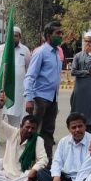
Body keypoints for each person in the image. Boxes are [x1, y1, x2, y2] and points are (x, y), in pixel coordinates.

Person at [0, 95, 48, 181]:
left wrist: (34, 170)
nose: (29, 130)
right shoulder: (12, 132)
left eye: (33, 128)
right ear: (21, 126)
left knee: (33, 175)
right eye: (27, 127)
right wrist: (0, 107)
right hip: (7, 173)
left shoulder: (38, 139)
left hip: (23, 176)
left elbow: (43, 159)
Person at [24, 21, 63, 159]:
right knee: (33, 132)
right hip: (39, 99)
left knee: (48, 133)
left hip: (52, 99)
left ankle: (46, 162)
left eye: (61, 33)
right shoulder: (40, 52)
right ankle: (28, 161)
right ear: (48, 36)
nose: (61, 35)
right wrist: (29, 98)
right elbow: (30, 76)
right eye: (57, 33)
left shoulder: (57, 53)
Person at [37, 112, 91, 181]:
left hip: (83, 179)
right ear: (69, 129)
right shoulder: (64, 141)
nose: (77, 130)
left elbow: (87, 169)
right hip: (66, 177)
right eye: (73, 127)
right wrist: (56, 177)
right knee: (41, 173)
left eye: (80, 126)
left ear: (85, 126)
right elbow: (57, 161)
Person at [0, 25, 32, 126]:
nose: (13, 38)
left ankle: (13, 140)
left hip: (16, 90)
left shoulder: (25, 50)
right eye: (11, 36)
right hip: (0, 89)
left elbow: (28, 67)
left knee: (15, 119)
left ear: (20, 37)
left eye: (16, 36)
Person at [70, 32, 91, 133]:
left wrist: (89, 55)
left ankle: (89, 138)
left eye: (90, 41)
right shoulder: (78, 56)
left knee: (89, 115)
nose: (87, 44)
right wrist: (88, 72)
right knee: (76, 114)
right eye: (86, 41)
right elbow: (73, 71)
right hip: (79, 89)